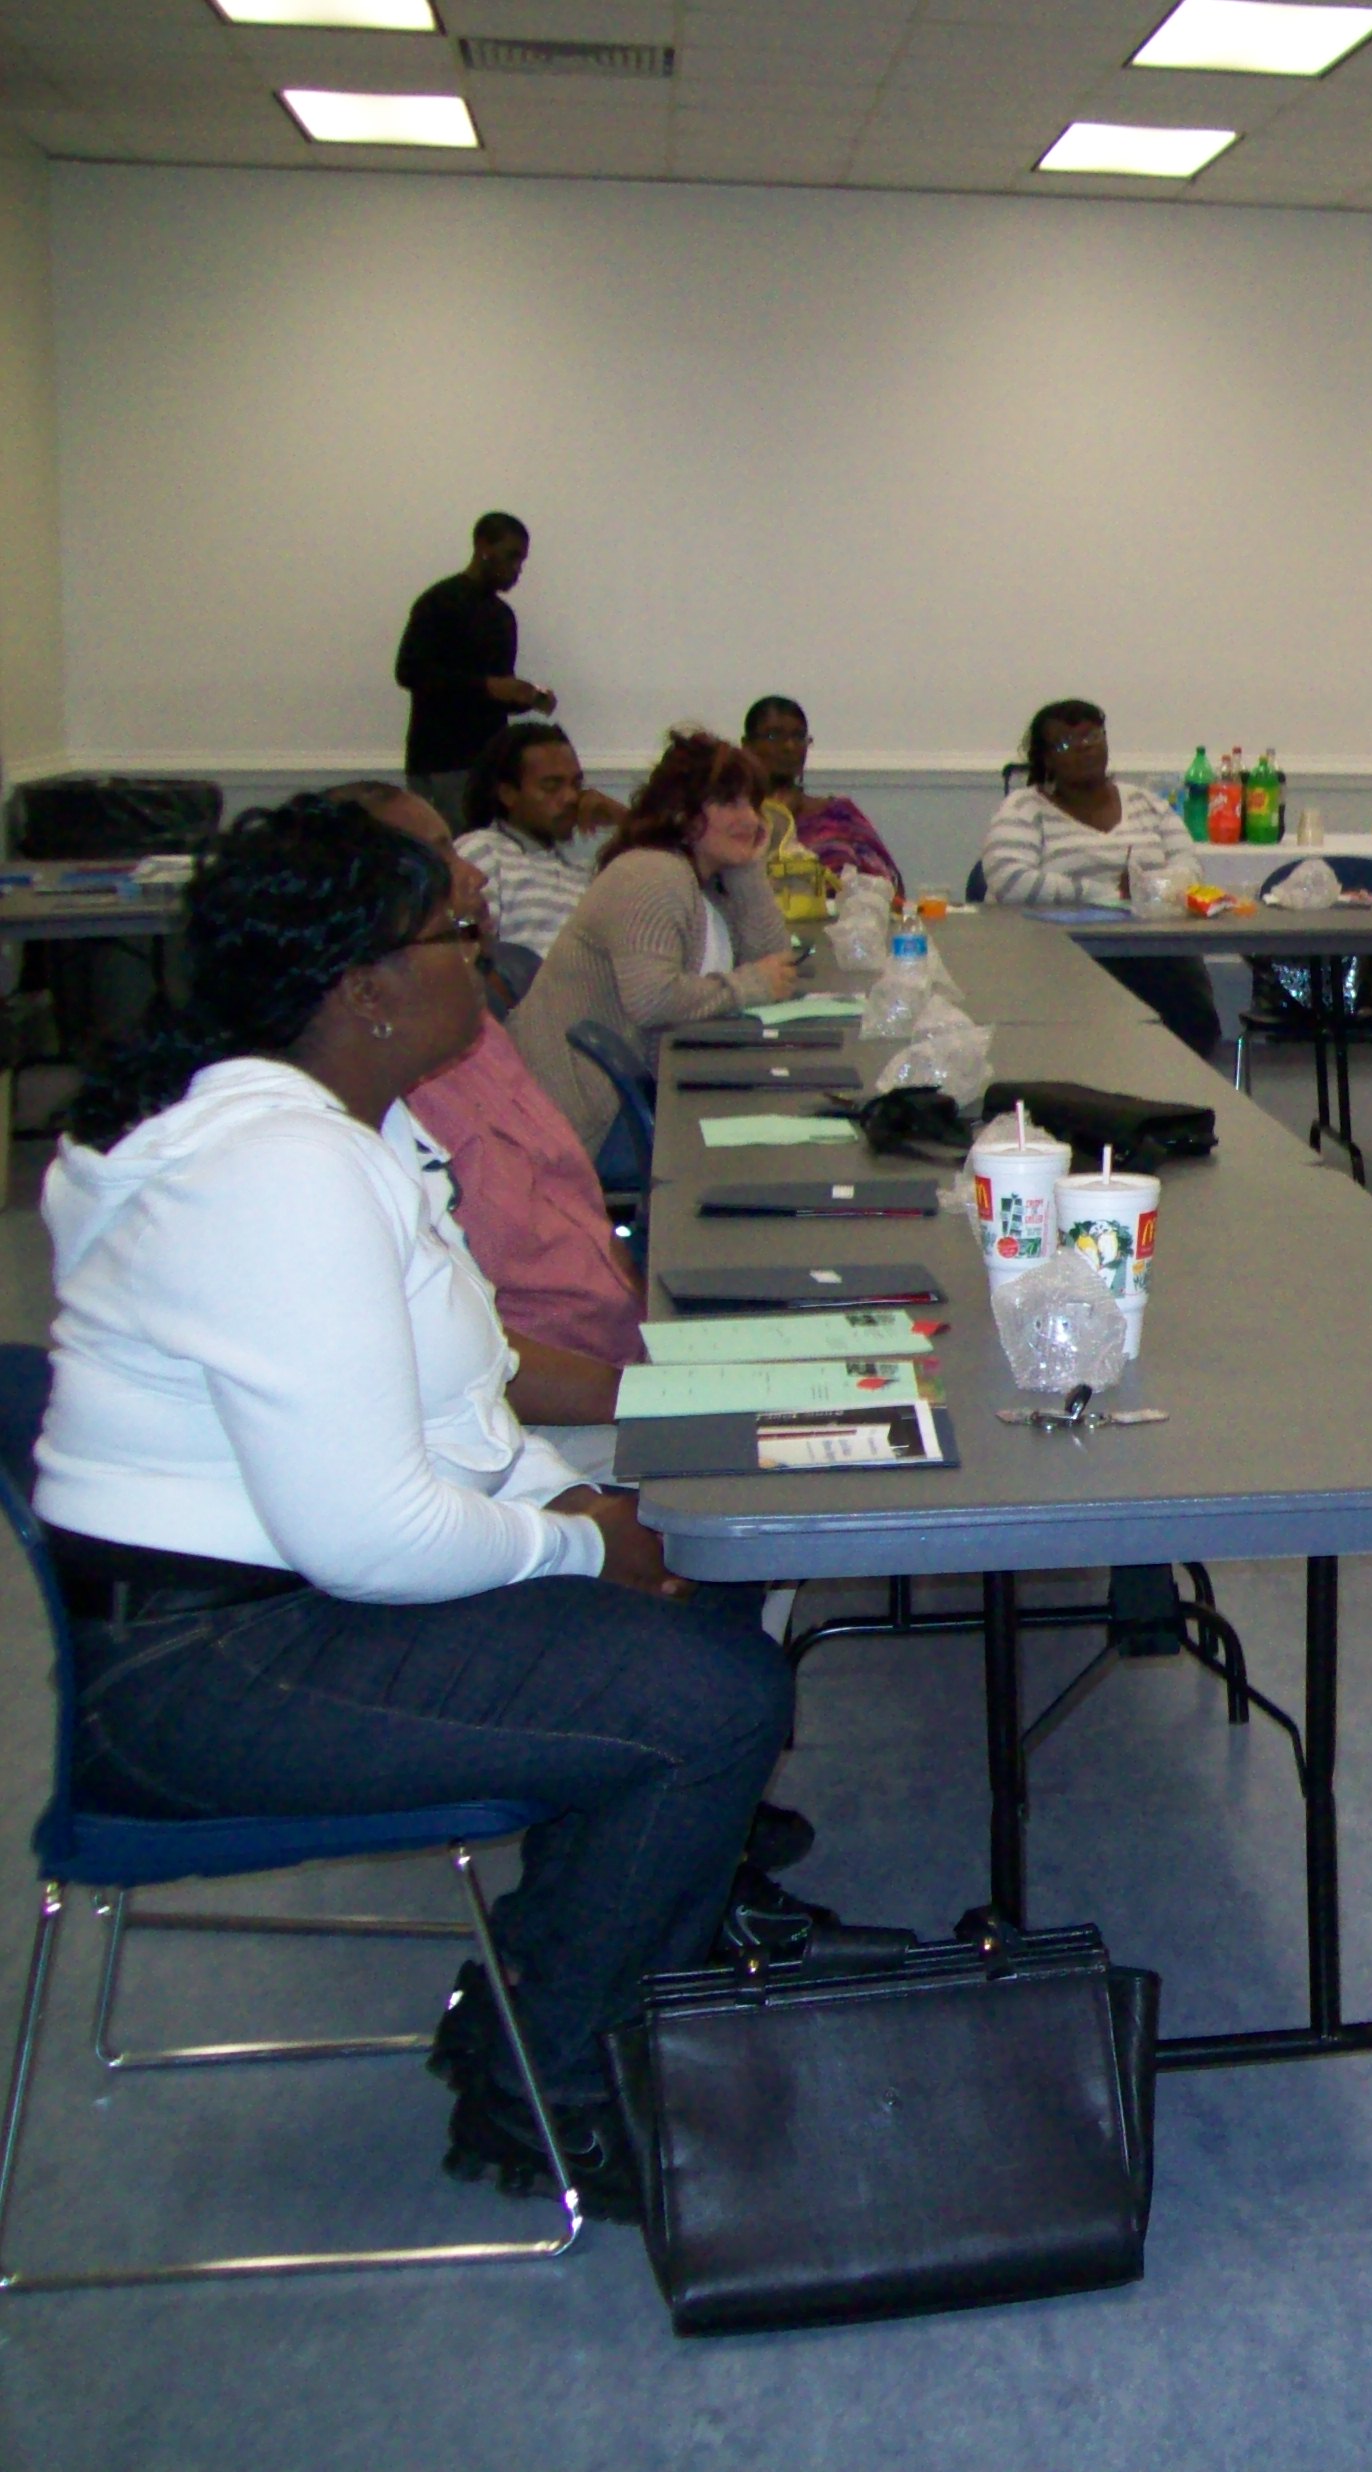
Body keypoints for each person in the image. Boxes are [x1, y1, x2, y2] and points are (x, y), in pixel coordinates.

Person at [33, 796, 793, 2217]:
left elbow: (463, 1395)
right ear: (366, 989)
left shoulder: (347, 1129)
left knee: (699, 1574)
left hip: (285, 1601)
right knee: (712, 1699)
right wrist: (584, 1543)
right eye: (456, 930)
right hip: (216, 1666)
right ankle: (546, 2087)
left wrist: (592, 1502)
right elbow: (373, 1533)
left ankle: (555, 1972)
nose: (486, 948)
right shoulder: (281, 1171)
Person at [336, 780, 648, 1372]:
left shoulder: (472, 1032)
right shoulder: (382, 1099)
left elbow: (574, 1219)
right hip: (566, 1404)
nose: (472, 876)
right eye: (439, 859)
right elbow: (462, 1363)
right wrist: (654, 1398)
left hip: (623, 1345)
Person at [511, 730, 797, 1156]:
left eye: (753, 804)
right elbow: (652, 998)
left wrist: (749, 872)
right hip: (584, 1121)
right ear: (682, 812)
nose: (752, 820)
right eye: (729, 803)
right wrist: (749, 984)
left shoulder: (706, 879)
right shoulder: (652, 874)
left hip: (641, 1093)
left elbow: (776, 964)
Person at [979, 701, 1219, 1056]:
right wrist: (1105, 894)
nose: (1084, 748)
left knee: (1182, 1013)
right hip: (1059, 960)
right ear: (1044, 759)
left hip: (1155, 954)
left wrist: (1149, 888)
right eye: (1065, 743)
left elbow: (1189, 867)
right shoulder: (1024, 808)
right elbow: (1011, 881)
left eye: (1092, 735)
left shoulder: (1147, 803)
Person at [394, 513, 553, 828]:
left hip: (489, 765)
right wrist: (486, 686)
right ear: (483, 547)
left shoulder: (502, 616)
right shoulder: (439, 602)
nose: (517, 569)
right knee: (453, 862)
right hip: (441, 763)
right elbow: (409, 671)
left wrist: (527, 697)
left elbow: (495, 692)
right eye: (511, 556)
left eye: (521, 560)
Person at [455, 720, 620, 955]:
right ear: (508, 794)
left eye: (576, 784)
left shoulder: (581, 871)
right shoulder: (483, 849)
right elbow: (465, 944)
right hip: (522, 987)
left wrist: (624, 819)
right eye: (552, 786)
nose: (572, 798)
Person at [744, 696, 903, 892]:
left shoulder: (839, 814)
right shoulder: (735, 819)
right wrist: (778, 821)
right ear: (747, 746)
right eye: (774, 736)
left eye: (798, 736)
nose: (789, 746)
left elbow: (890, 886)